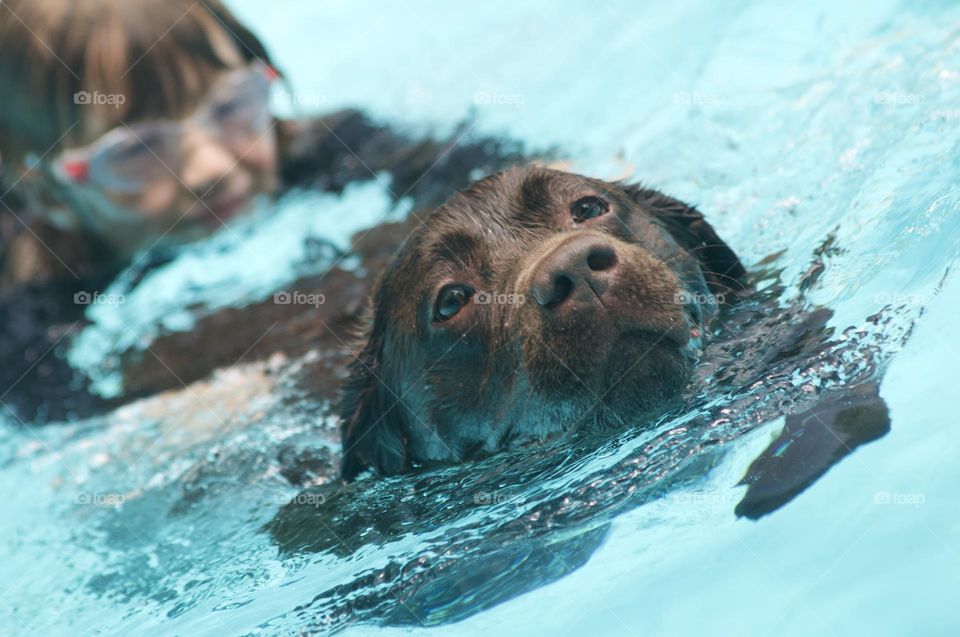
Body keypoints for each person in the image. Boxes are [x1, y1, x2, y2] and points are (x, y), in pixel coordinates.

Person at [0, 0, 524, 421]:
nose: (210, 167)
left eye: (230, 108)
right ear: (47, 193)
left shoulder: (332, 149)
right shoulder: (27, 318)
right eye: (139, 151)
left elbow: (511, 185)